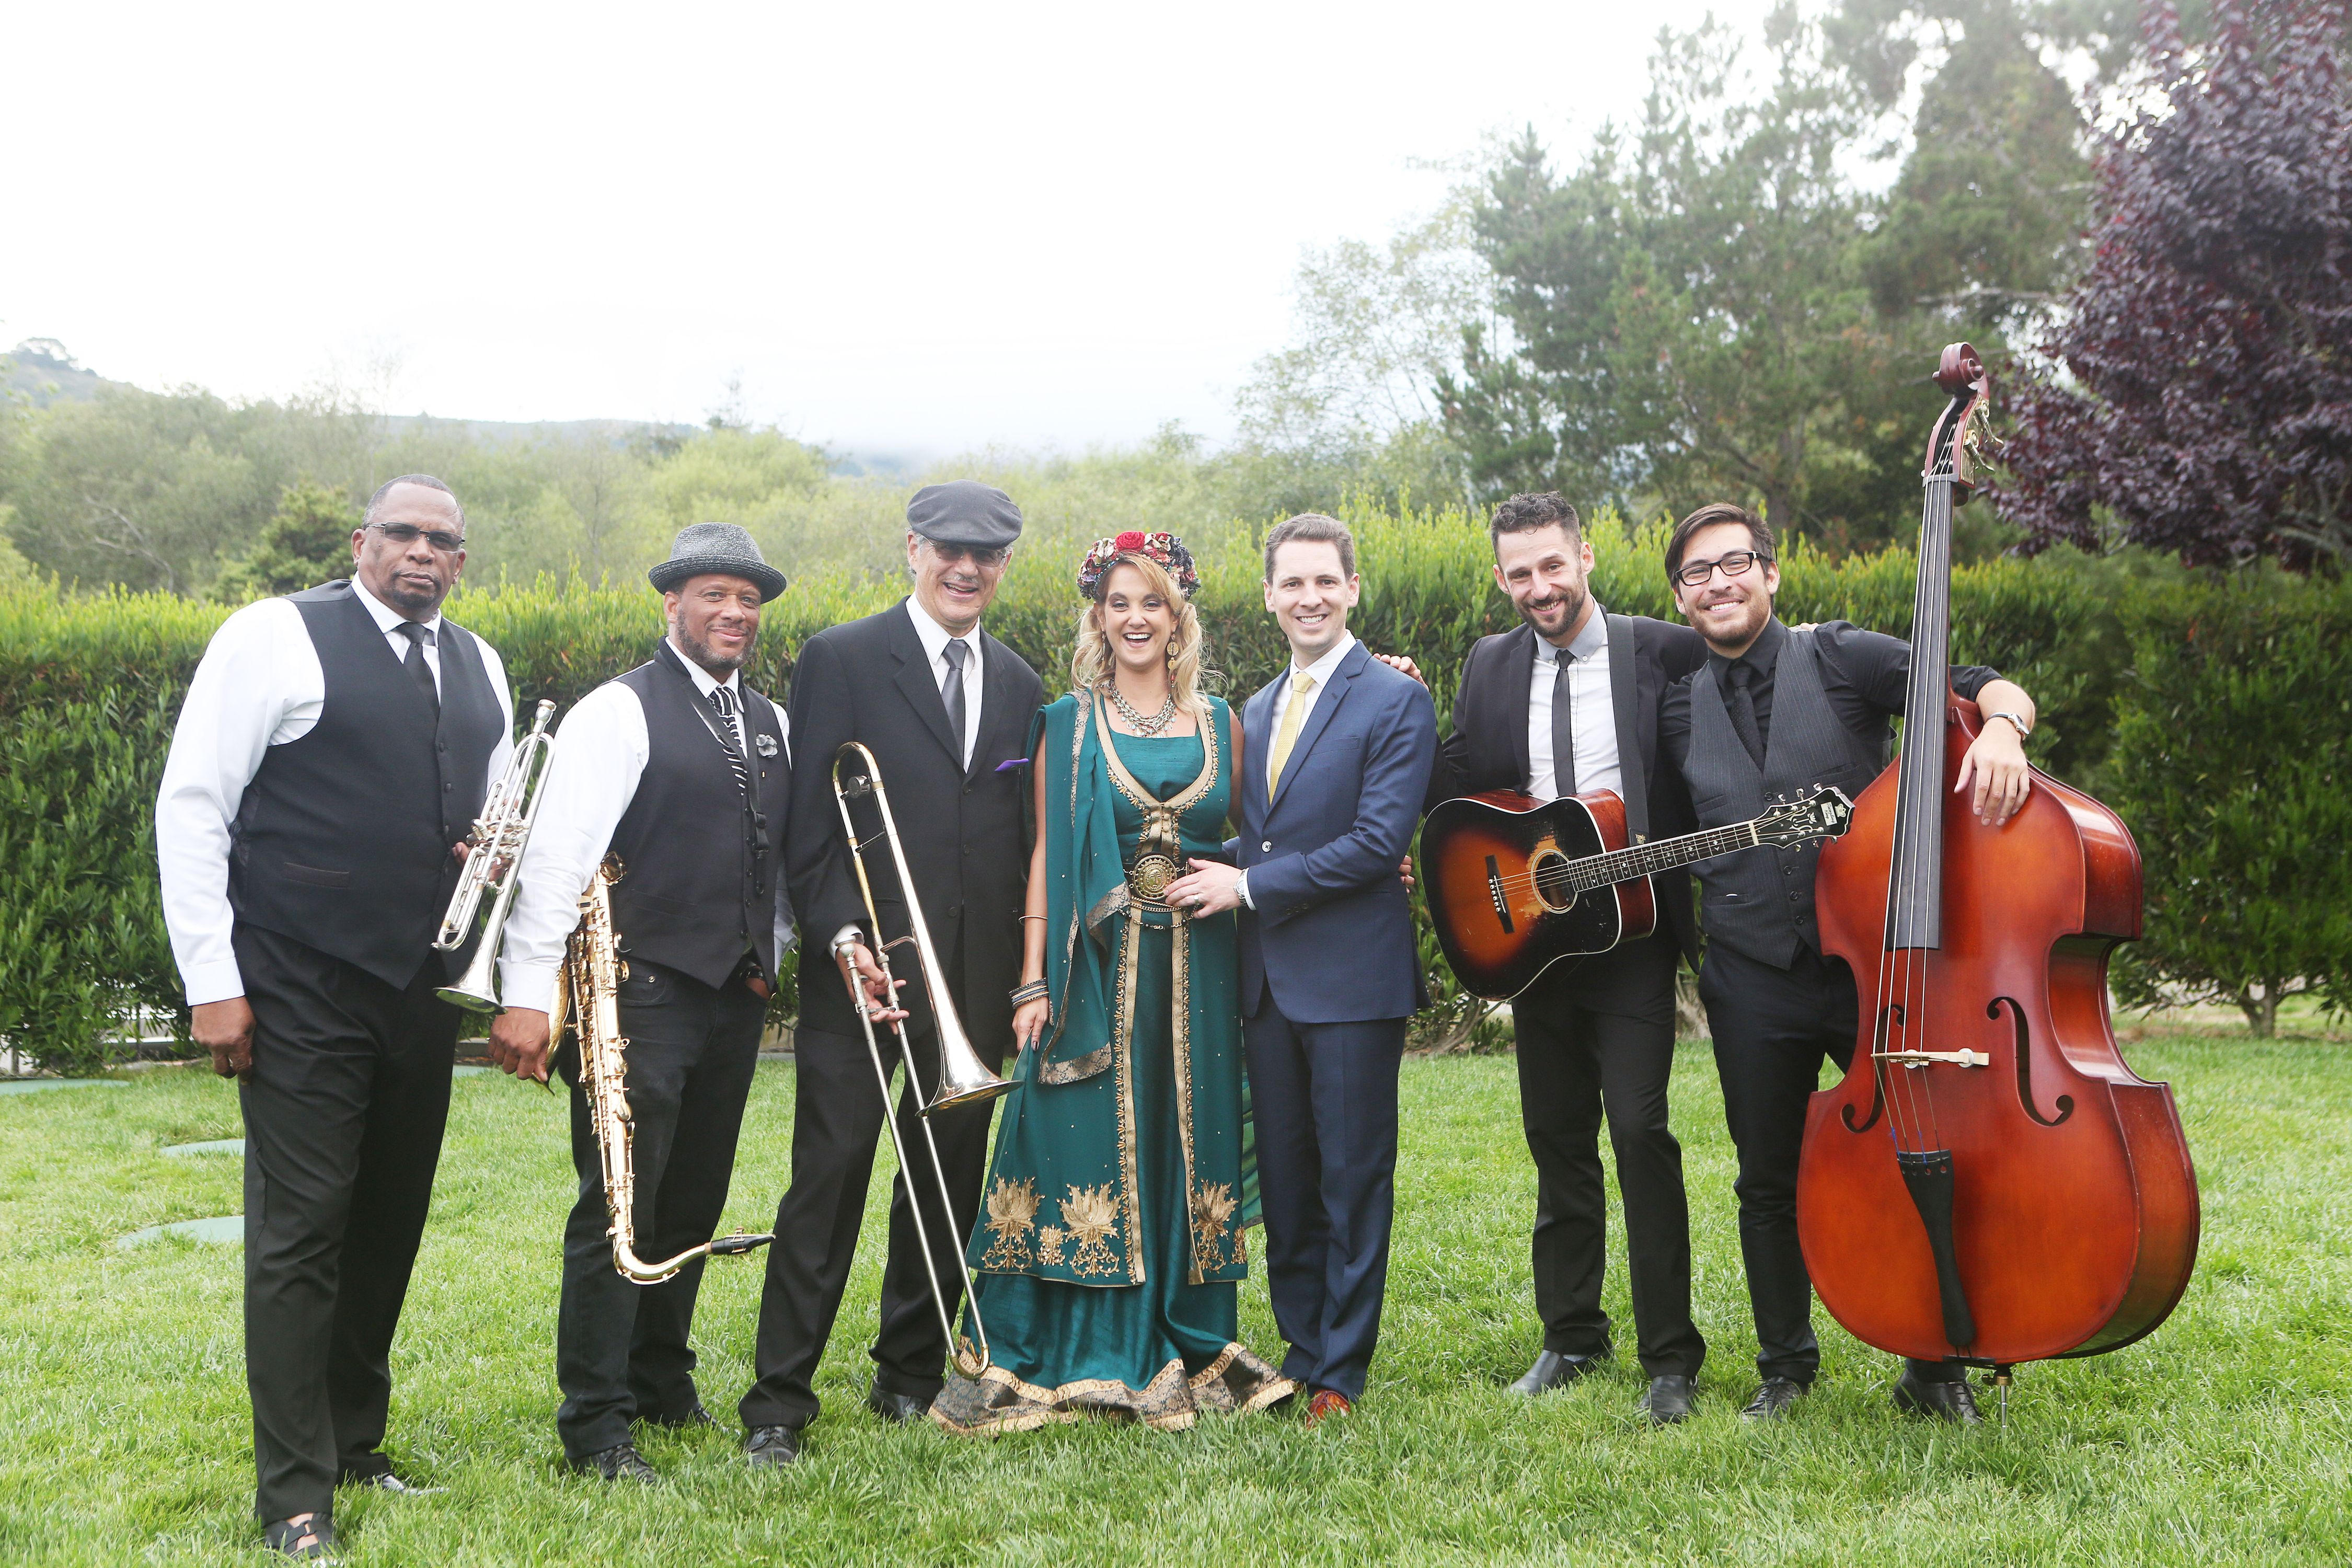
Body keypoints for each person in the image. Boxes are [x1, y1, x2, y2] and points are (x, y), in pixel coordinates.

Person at [155, 475, 513, 1561]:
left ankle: (357, 1441)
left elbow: (490, 822)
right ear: (362, 541)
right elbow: (195, 805)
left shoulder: (482, 663)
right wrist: (211, 982)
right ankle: (294, 1496)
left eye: (442, 540)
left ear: (462, 559)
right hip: (299, 983)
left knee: (389, 1222)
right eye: (400, 533)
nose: (420, 552)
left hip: (422, 989)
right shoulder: (273, 634)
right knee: (301, 1234)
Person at [1656, 502, 2037, 1425]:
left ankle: (1933, 1365)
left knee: (1917, 1151)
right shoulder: (1673, 703)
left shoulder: (1842, 657)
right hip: (1748, 973)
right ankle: (1786, 1367)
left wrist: (1999, 729)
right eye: (1698, 573)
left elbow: (1989, 684)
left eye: (1735, 562)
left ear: (1771, 573)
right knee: (1765, 1177)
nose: (1720, 582)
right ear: (1680, 597)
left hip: (1876, 969)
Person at [930, 531, 1293, 1433]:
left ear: (1180, 619)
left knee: (1190, 1139)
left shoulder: (1223, 724)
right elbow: (1051, 857)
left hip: (1202, 974)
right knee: (1079, 1138)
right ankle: (1074, 1345)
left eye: (1154, 603)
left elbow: (1257, 841)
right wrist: (1031, 985)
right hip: (1093, 974)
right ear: (1100, 615)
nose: (1137, 619)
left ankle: (1190, 1335)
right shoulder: (1066, 722)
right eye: (1120, 602)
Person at [485, 523, 822, 1482]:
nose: (734, 614)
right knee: (617, 1210)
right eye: (714, 595)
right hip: (633, 997)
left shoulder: (771, 719)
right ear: (671, 604)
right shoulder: (616, 711)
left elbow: (777, 858)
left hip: (730, 998)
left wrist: (776, 949)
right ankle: (595, 1425)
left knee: (692, 1201)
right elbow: (557, 863)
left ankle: (661, 1384)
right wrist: (525, 997)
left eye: (749, 600)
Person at [739, 480, 1048, 1465]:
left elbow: (1013, 835)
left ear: (1004, 565)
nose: (967, 568)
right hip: (862, 971)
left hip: (974, 978)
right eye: (949, 549)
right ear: (912, 549)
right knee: (826, 1184)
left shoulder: (1020, 680)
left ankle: (909, 1374)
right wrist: (840, 937)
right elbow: (810, 829)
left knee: (945, 1187)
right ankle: (780, 1404)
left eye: (987, 554)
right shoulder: (839, 656)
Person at [1422, 492, 1710, 1424]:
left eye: (1552, 565)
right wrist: (1397, 704)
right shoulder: (1489, 663)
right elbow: (1466, 786)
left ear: (1584, 554)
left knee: (1638, 1134)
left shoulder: (1662, 648)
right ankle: (1572, 1335)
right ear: (1501, 576)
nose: (1539, 588)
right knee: (1556, 1141)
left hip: (1630, 934)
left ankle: (1672, 1357)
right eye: (1519, 572)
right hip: (1536, 941)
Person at [1164, 513, 1437, 1425]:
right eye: (1293, 583)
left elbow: (1375, 844)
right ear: (1271, 594)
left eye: (1327, 581)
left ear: (1352, 588)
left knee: (1352, 1177)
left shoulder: (1396, 699)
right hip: (1269, 982)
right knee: (1282, 1178)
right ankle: (1298, 1351)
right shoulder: (1254, 708)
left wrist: (1245, 886)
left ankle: (1341, 1376)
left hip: (1355, 981)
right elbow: (1272, 837)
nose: (1310, 598)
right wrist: (1192, 861)